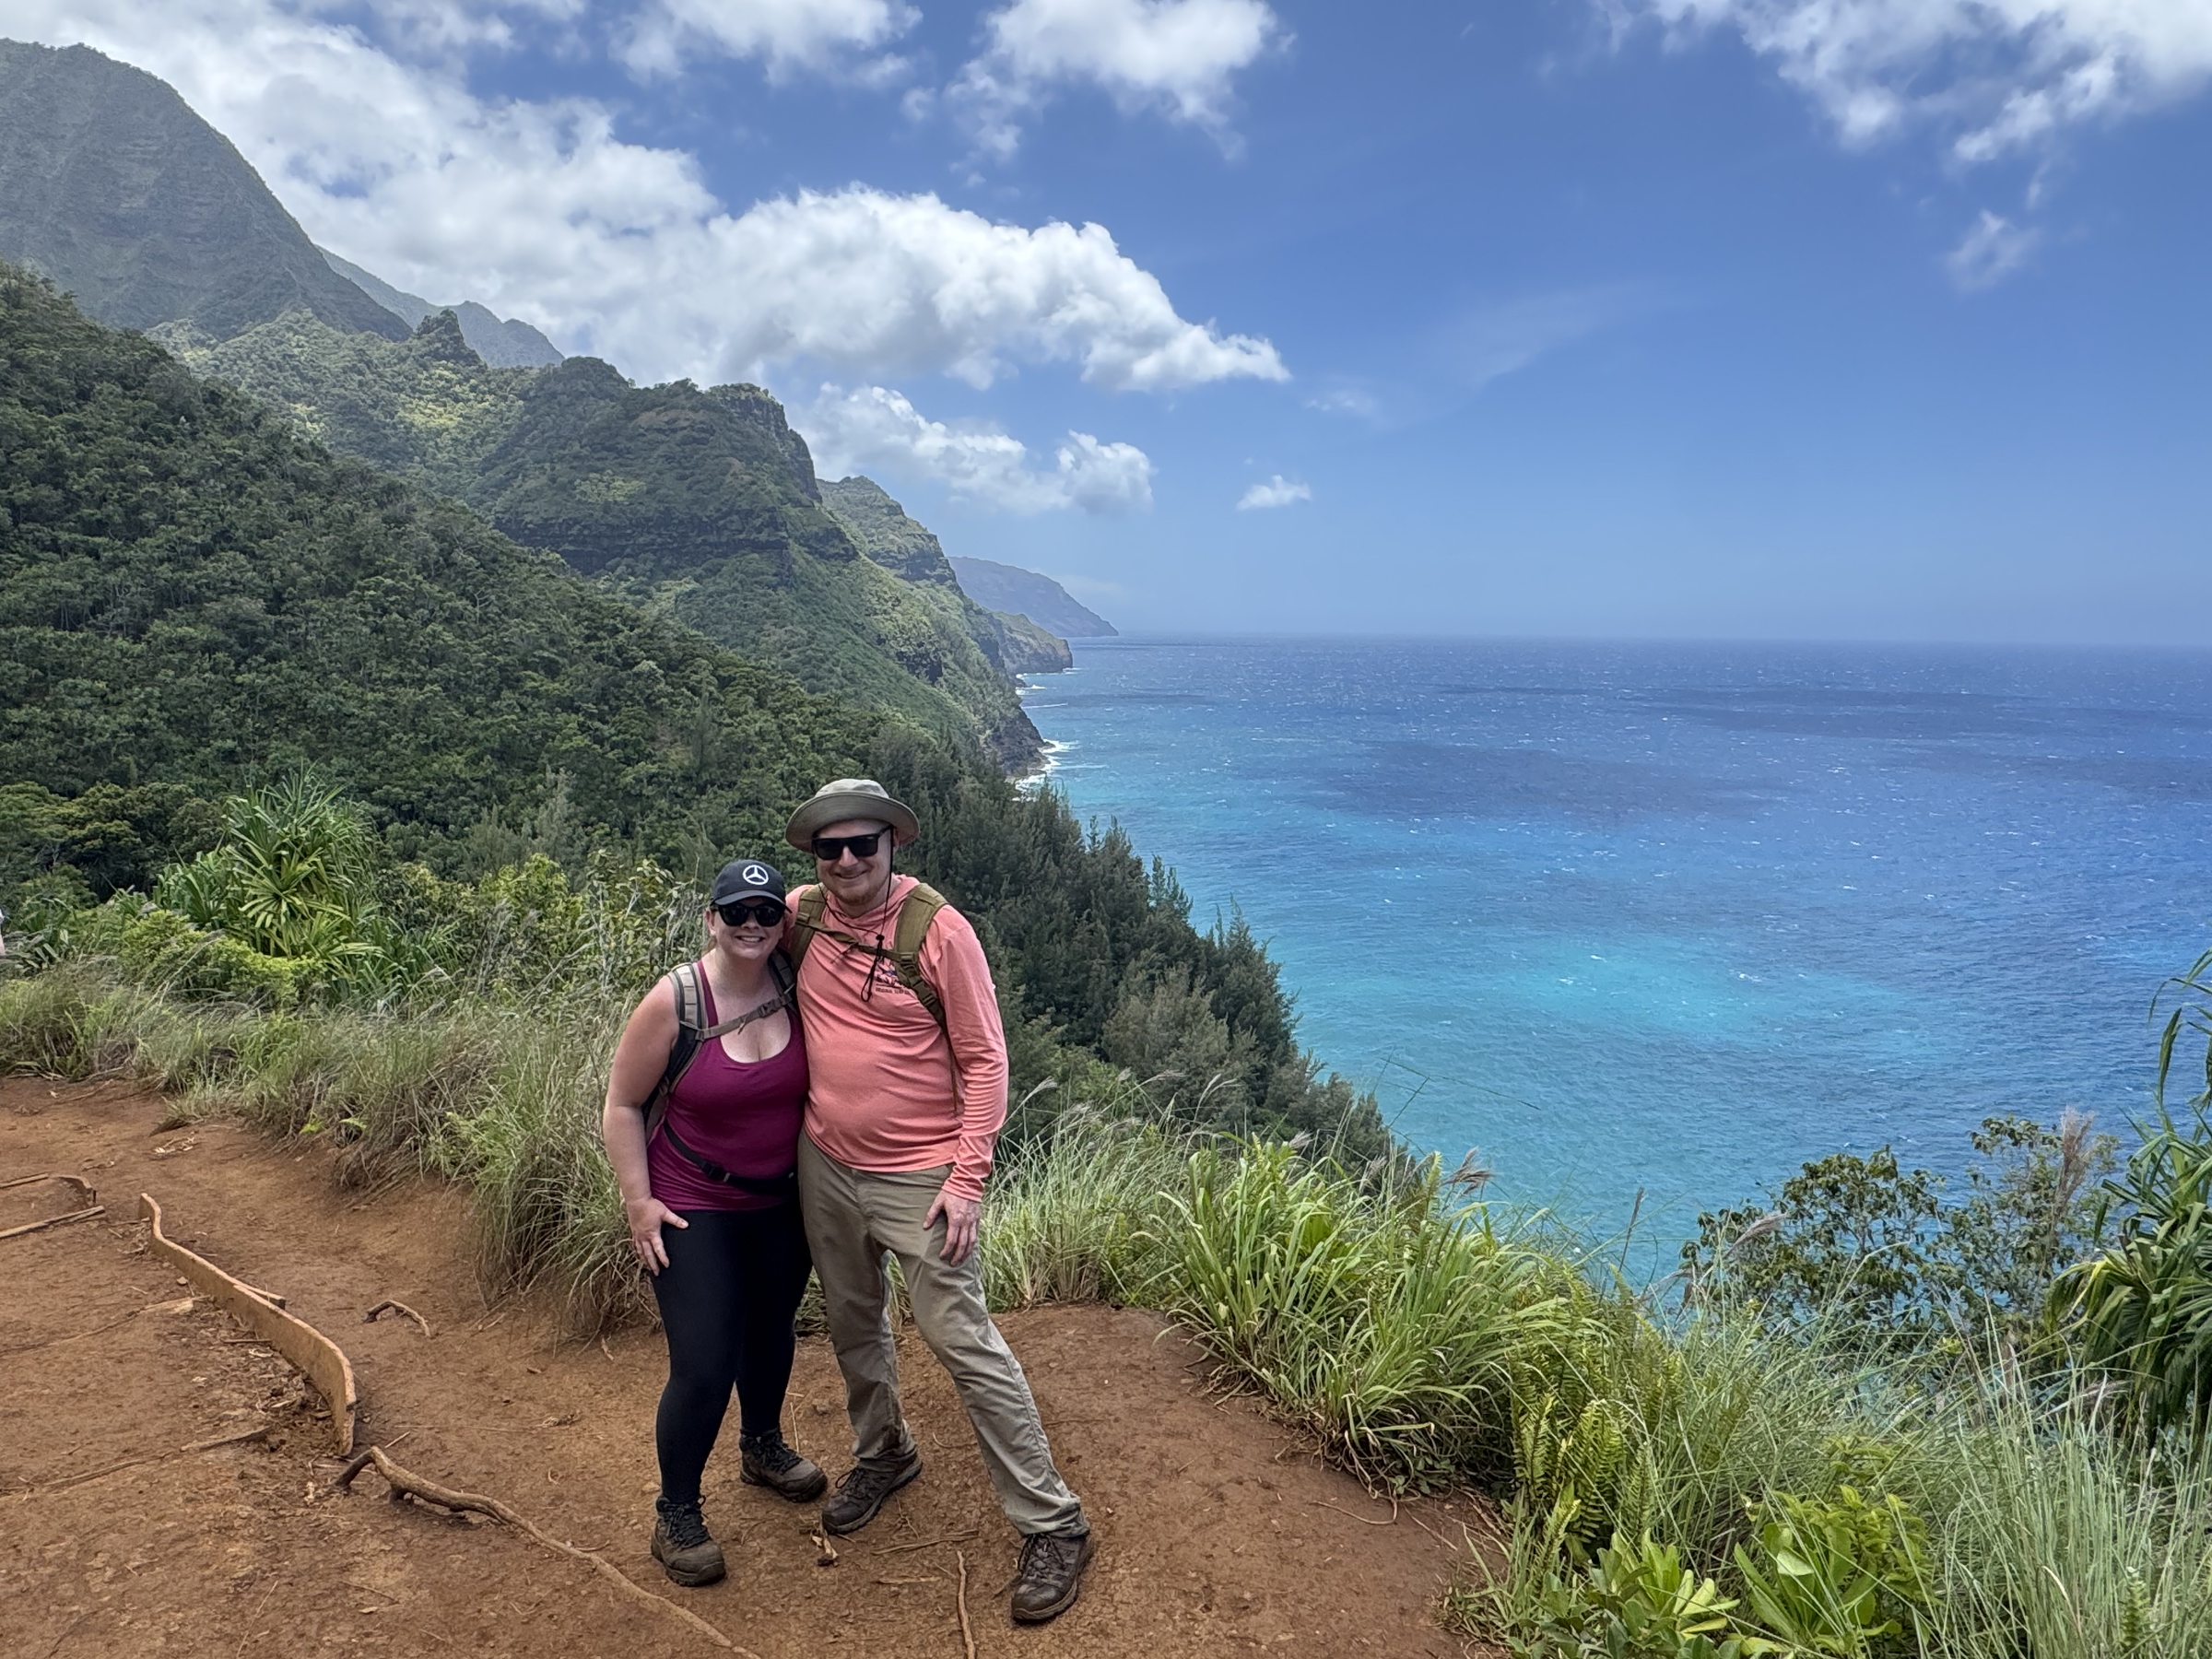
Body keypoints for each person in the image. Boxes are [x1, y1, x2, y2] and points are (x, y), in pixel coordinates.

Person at [782, 778, 1095, 1625]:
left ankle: (1053, 1521)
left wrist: (967, 1180)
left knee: (961, 1339)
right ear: (814, 856)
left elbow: (987, 1061)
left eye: (864, 843)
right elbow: (732, 951)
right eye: (831, 847)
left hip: (921, 1175)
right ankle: (884, 1452)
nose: (848, 859)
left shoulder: (939, 931)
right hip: (826, 1162)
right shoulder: (800, 917)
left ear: (893, 845)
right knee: (853, 1320)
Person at [602, 857, 825, 1589]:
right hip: (691, 1200)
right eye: (736, 913)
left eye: (766, 913)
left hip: (781, 1201)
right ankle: (676, 1512)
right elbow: (622, 1104)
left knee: (771, 1332)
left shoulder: (795, 984)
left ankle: (761, 1446)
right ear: (711, 919)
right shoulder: (676, 1002)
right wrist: (638, 1201)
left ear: (781, 923)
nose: (752, 925)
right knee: (703, 1363)